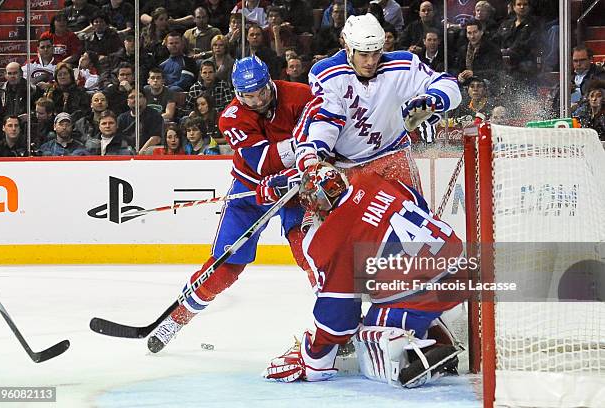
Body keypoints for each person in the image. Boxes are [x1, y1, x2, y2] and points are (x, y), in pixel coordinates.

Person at [146, 55, 314, 353]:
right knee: (225, 267)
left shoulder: (300, 95)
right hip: (250, 191)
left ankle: (339, 324)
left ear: (269, 82)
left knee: (311, 252)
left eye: (261, 91)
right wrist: (303, 145)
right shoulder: (231, 117)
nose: (257, 100)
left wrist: (299, 170)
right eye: (248, 95)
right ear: (237, 93)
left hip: (298, 188)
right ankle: (177, 318)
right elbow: (264, 162)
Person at [264, 163, 464, 387]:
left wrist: (312, 355)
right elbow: (418, 204)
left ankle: (418, 354)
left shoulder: (333, 237)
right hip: (461, 263)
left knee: (369, 330)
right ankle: (438, 332)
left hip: (426, 290)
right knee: (392, 291)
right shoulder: (372, 181)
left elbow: (339, 318)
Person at [295, 13, 461, 194]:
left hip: (393, 155)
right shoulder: (327, 74)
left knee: (410, 217)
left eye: (376, 53)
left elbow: (449, 85)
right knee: (351, 223)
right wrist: (317, 149)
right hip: (346, 166)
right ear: (349, 48)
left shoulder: (402, 65)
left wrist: (433, 100)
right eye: (364, 55)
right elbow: (327, 118)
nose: (371, 62)